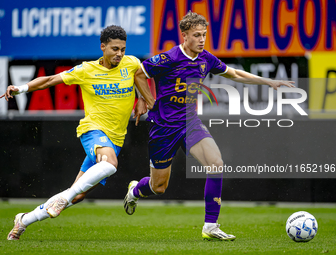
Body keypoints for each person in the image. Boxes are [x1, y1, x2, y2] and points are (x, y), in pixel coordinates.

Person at [123, 11, 295, 241]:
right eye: (197, 35)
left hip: (190, 122)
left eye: (204, 34)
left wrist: (268, 81)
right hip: (163, 127)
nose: (202, 40)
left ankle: (211, 226)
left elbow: (233, 73)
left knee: (216, 163)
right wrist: (148, 100)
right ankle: (135, 190)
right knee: (158, 187)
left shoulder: (206, 59)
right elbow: (139, 74)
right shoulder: (170, 57)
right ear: (184, 36)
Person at [2, 25, 153, 240]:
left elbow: (141, 79)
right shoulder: (85, 70)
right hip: (93, 130)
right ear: (103, 47)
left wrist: (142, 100)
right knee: (109, 164)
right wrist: (22, 88)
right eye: (114, 49)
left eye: (122, 49)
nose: (119, 54)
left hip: (116, 139)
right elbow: (49, 80)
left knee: (78, 195)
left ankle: (24, 220)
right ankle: (64, 196)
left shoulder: (132, 63)